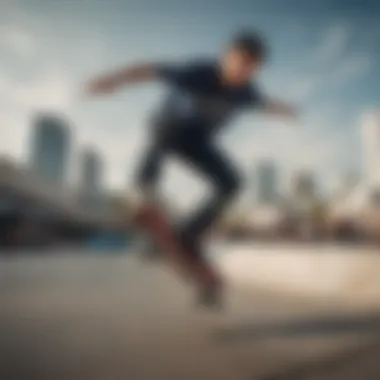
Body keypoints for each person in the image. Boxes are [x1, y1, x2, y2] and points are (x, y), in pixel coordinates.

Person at [85, 30, 297, 308]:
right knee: (166, 127)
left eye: (250, 67)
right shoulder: (197, 72)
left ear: (257, 69)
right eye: (237, 61)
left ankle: (190, 234)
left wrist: (286, 111)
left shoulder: (247, 92)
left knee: (231, 182)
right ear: (225, 56)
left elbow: (264, 104)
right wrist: (113, 80)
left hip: (197, 143)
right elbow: (150, 70)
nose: (240, 71)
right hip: (167, 127)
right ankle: (145, 187)